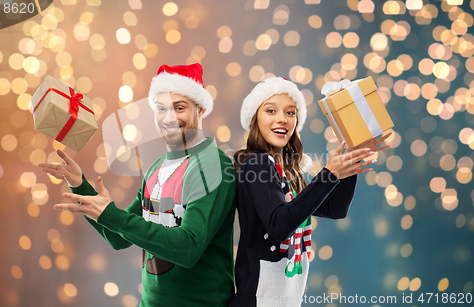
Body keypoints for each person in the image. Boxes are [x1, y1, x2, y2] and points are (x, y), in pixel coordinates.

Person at [38, 63, 237, 306]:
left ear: (201, 109)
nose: (169, 117)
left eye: (180, 107)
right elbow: (119, 237)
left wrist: (112, 214)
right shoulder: (156, 168)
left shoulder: (213, 164)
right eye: (161, 108)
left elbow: (188, 248)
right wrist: (81, 187)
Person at [229, 77, 391, 307]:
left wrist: (349, 160)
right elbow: (279, 225)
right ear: (255, 117)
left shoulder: (287, 171)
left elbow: (335, 209)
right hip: (258, 299)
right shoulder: (257, 164)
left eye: (290, 112)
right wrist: (329, 174)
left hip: (285, 299)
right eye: (271, 110)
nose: (282, 119)